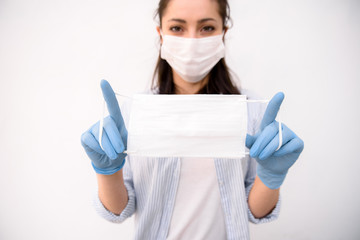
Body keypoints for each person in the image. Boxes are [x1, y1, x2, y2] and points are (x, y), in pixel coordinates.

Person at [80, 0, 304, 239]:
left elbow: (254, 211)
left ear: (223, 34)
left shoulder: (249, 109)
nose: (192, 41)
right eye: (177, 28)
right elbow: (118, 210)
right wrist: (107, 172)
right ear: (161, 34)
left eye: (207, 28)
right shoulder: (135, 111)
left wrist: (271, 176)